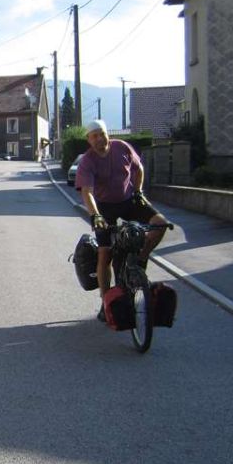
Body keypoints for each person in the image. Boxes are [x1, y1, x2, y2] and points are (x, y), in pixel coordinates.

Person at [74, 119, 169, 321]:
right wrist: (95, 215)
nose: (99, 139)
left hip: (128, 200)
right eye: (94, 136)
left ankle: (140, 259)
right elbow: (87, 192)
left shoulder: (122, 147)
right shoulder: (87, 161)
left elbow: (139, 168)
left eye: (102, 134)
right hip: (103, 207)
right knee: (104, 253)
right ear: (89, 140)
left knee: (160, 223)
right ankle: (105, 302)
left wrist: (138, 191)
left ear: (107, 134)